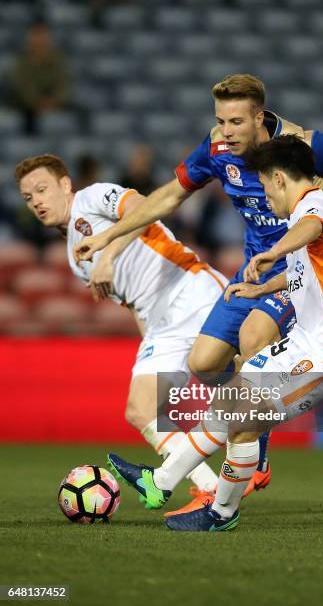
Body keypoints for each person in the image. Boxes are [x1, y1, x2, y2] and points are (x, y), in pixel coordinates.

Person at [74, 74, 323, 508]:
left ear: (260, 117)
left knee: (252, 339)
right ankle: (237, 446)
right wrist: (111, 238)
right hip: (253, 270)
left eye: (237, 122)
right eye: (220, 120)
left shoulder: (305, 146)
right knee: (202, 362)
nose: (226, 131)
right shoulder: (216, 149)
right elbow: (168, 197)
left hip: (299, 270)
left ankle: (249, 457)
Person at [107, 135, 323, 531]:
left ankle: (220, 513)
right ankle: (158, 482)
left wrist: (273, 250)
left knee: (241, 416)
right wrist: (262, 288)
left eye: (265, 186)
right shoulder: (310, 213)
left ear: (279, 179)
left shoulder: (314, 207)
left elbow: (310, 229)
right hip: (307, 344)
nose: (265, 196)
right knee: (227, 405)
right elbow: (305, 273)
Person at [14, 153, 230, 499]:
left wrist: (109, 255)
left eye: (42, 189)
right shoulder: (75, 257)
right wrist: (150, 349)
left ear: (65, 185)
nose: (37, 201)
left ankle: (256, 456)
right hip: (161, 323)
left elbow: (145, 207)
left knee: (239, 381)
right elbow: (131, 301)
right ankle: (211, 490)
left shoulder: (93, 196)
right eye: (28, 197)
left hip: (191, 289)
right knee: (140, 410)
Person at [8, 22, 71, 134]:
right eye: (35, 37)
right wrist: (37, 102)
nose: (39, 41)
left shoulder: (59, 60)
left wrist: (54, 101)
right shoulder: (21, 62)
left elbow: (64, 83)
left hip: (55, 104)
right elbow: (22, 85)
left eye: (42, 37)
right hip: (27, 107)